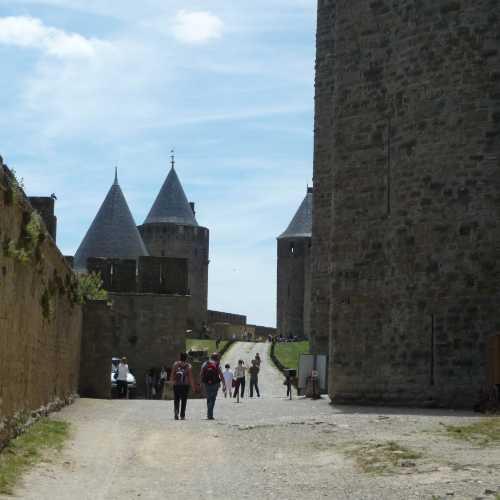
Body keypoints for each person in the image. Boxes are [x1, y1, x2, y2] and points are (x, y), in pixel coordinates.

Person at [170, 353, 195, 420]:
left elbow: (172, 374)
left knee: (176, 399)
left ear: (180, 357)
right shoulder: (189, 366)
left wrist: (172, 382)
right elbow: (190, 377)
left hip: (176, 385)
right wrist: (193, 386)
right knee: (184, 400)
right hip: (185, 385)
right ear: (186, 358)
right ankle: (182, 415)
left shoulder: (175, 364)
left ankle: (176, 413)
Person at [200, 352, 225, 420]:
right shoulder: (217, 364)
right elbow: (221, 375)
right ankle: (210, 414)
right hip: (215, 384)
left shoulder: (205, 363)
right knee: (213, 399)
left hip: (207, 383)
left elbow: (201, 374)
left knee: (208, 399)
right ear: (217, 358)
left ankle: (209, 414)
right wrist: (224, 385)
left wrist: (201, 383)